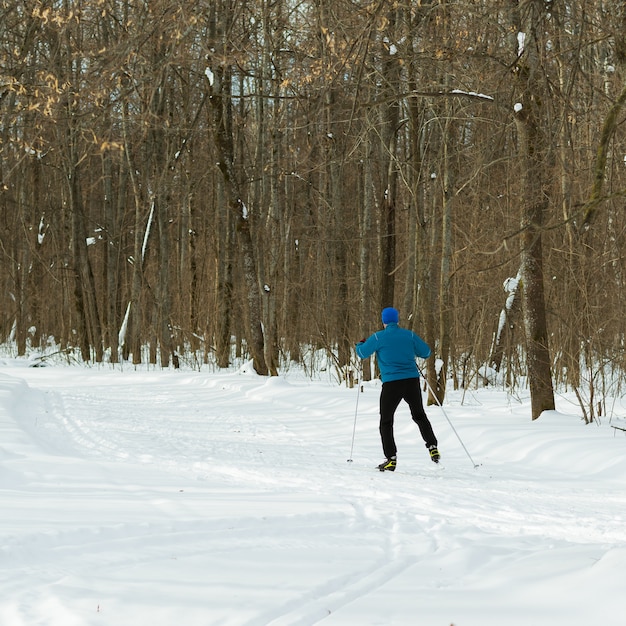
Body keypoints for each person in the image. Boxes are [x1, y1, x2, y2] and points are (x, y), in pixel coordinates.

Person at [356, 307, 440, 471]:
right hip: (411, 381)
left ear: (384, 321)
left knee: (386, 421)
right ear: (397, 320)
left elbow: (362, 353)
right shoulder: (408, 335)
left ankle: (391, 459)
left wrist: (359, 344)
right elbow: (426, 352)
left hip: (392, 384)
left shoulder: (378, 337)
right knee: (419, 415)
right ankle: (432, 446)